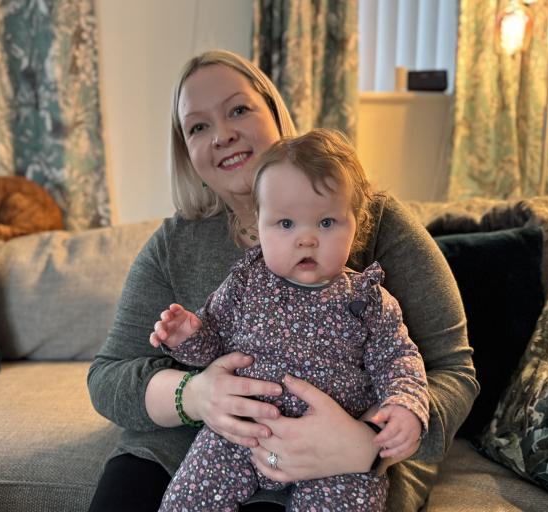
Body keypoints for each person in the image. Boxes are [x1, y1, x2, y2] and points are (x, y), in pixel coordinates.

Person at [87, 49, 478, 512]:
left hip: (348, 467)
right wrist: (193, 394)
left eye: (238, 109)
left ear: (275, 114)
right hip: (202, 450)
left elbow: (454, 371)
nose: (223, 134)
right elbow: (108, 376)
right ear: (186, 151)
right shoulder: (176, 244)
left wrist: (367, 441)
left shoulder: (372, 217)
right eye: (198, 126)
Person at [150, 129, 430, 511]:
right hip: (242, 433)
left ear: (356, 223)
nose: (307, 239)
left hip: (335, 449)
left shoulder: (367, 300)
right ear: (257, 228)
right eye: (285, 224)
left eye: (327, 223)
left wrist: (404, 406)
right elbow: (212, 345)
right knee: (189, 498)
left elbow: (399, 360)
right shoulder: (245, 283)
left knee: (353, 498)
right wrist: (187, 335)